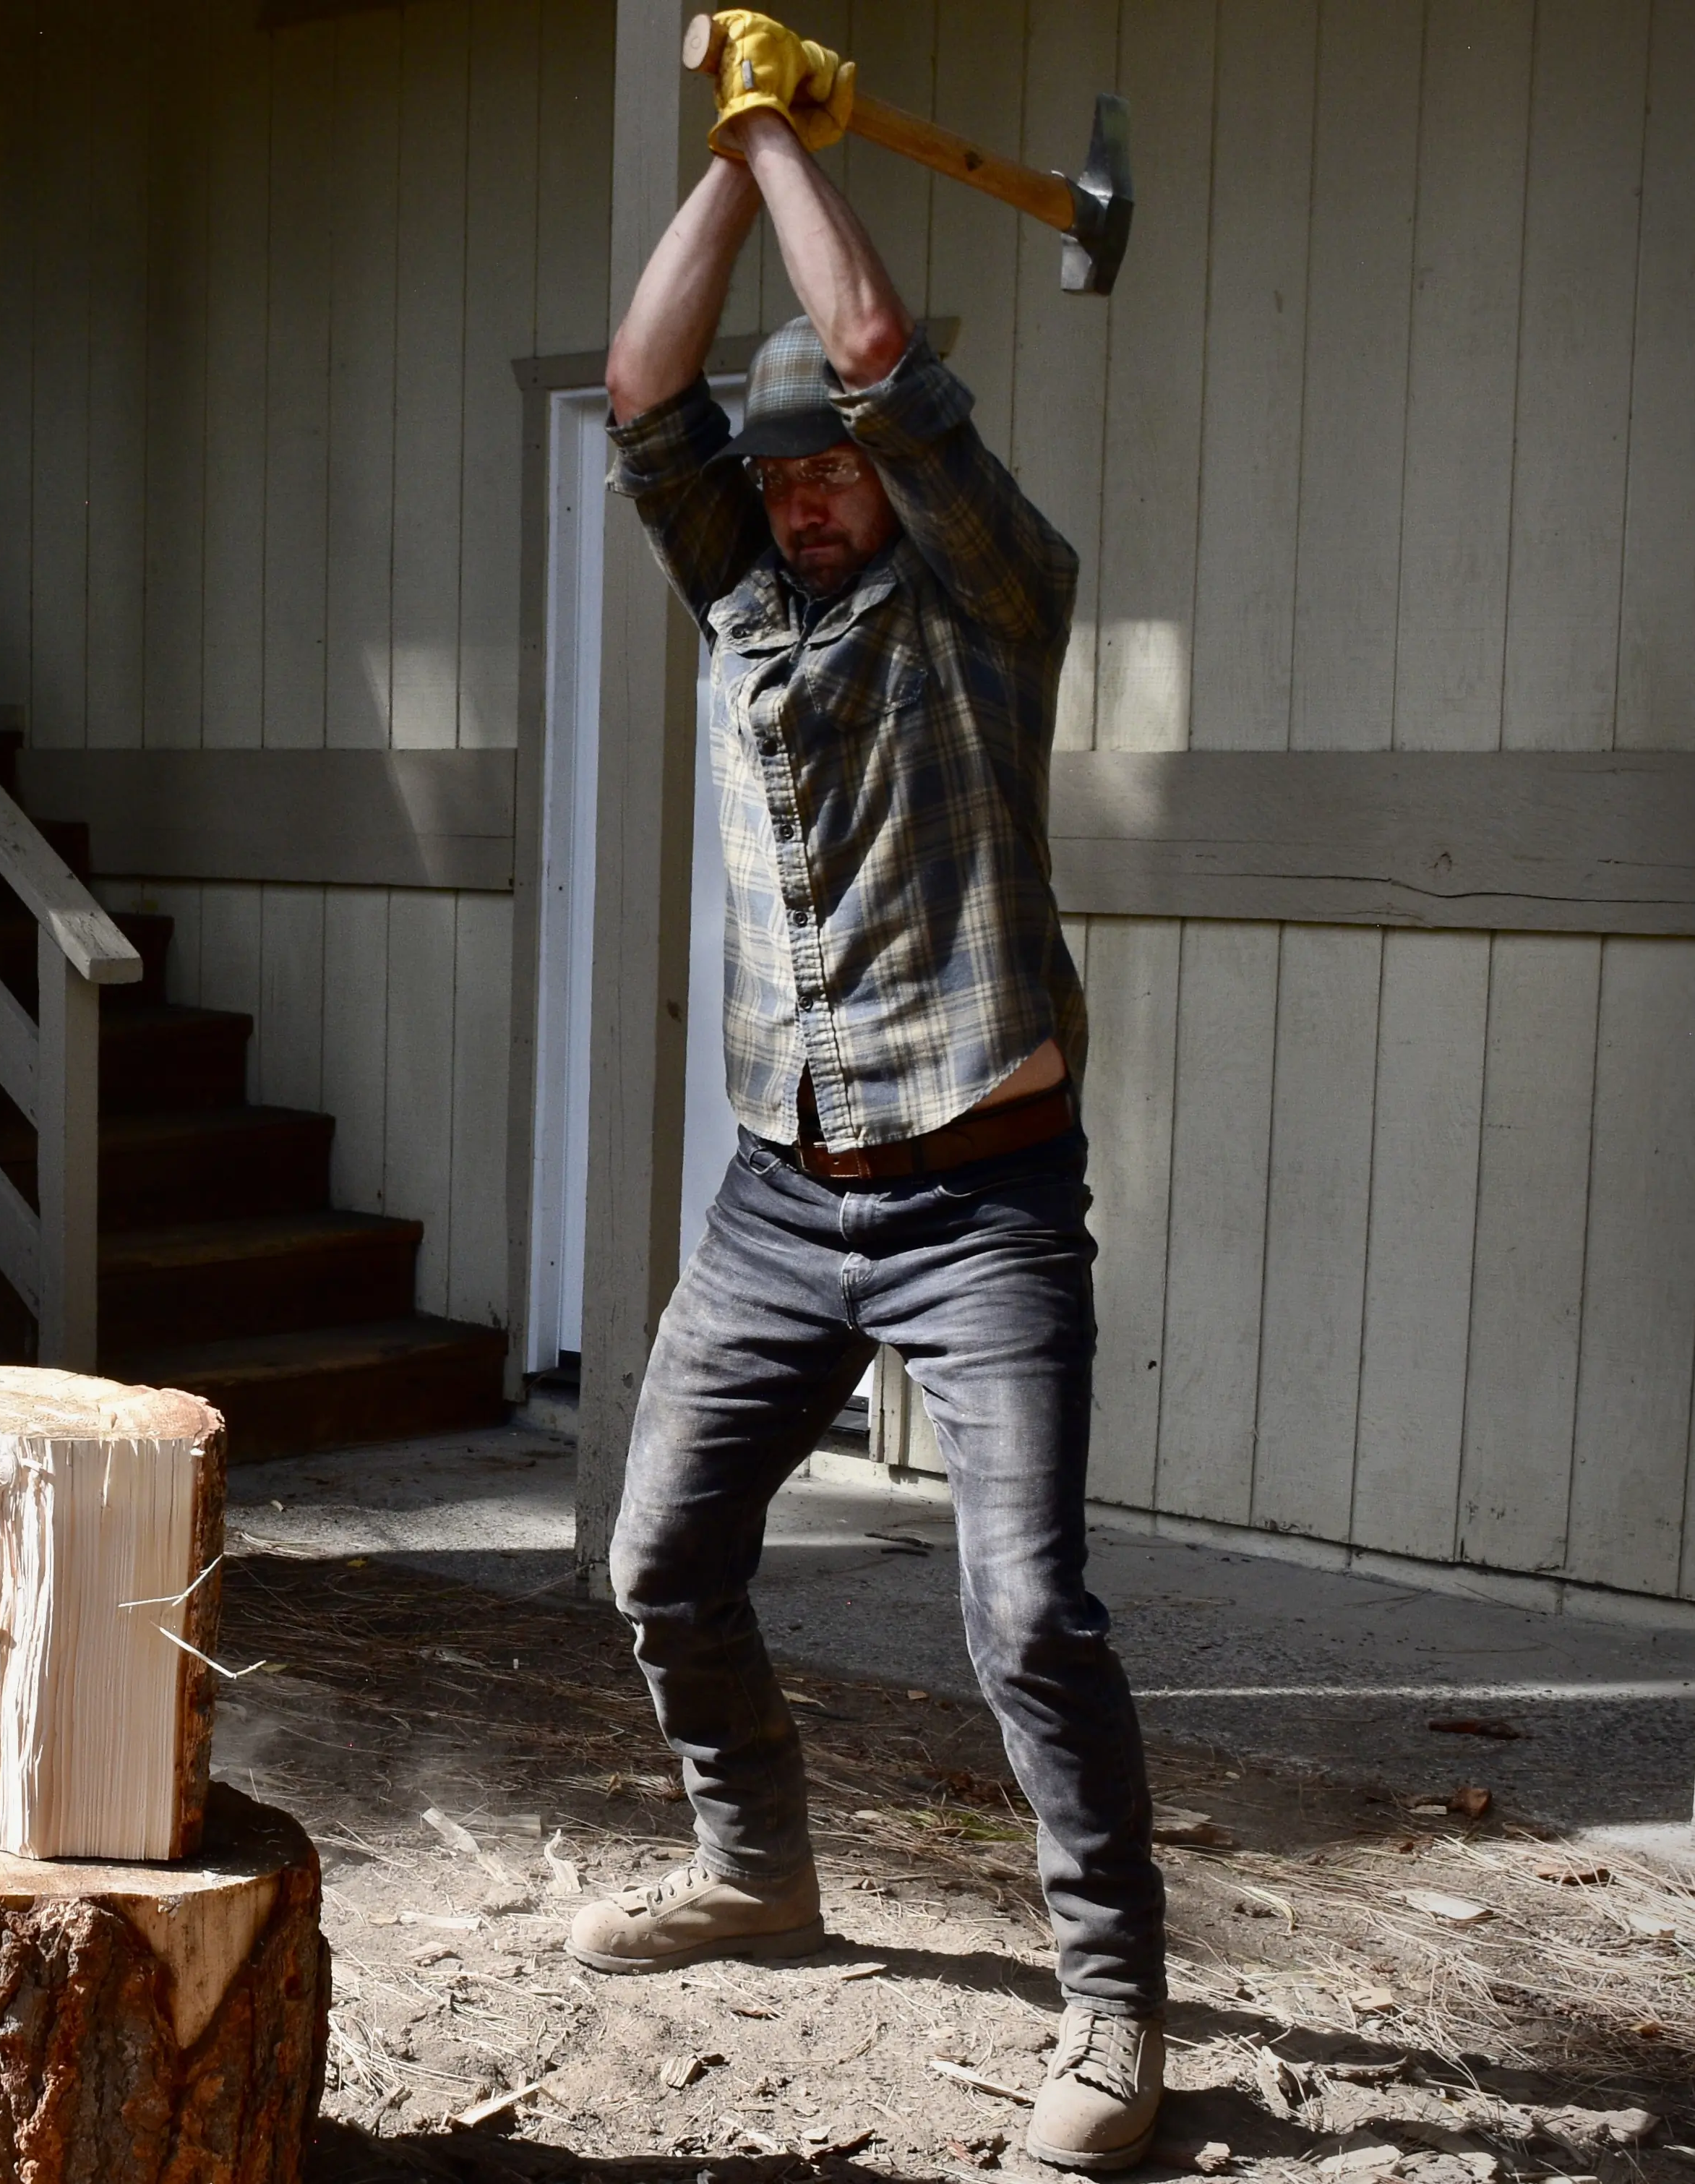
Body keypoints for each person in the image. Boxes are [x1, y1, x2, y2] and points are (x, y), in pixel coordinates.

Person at [570, 13, 1164, 2172]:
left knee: (1025, 1616)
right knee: (660, 1557)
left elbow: (884, 350)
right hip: (778, 1193)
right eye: (786, 468)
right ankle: (757, 1869)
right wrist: (734, 151)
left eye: (837, 464)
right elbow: (641, 389)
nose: (810, 493)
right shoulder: (743, 599)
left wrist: (778, 137)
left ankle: (1113, 2013)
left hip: (983, 1202)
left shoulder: (990, 599)